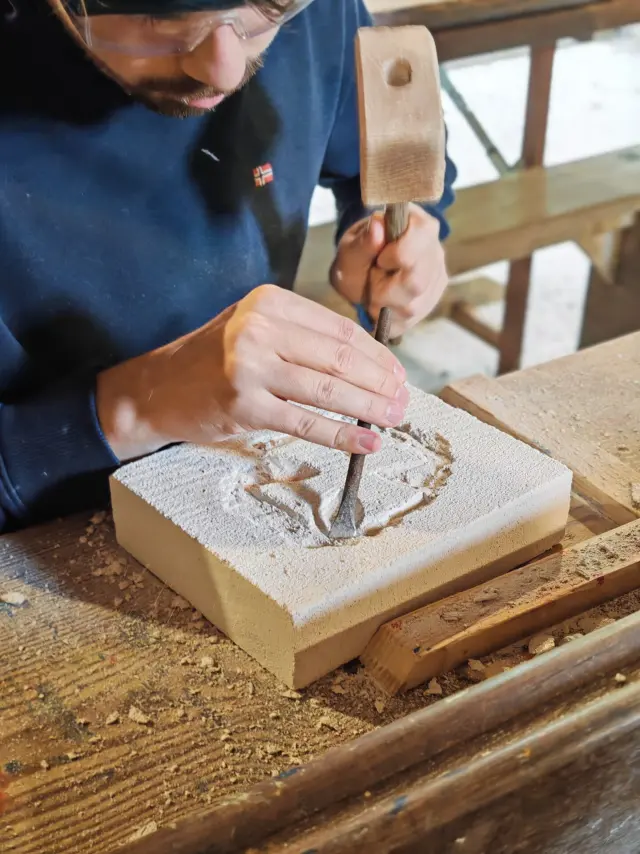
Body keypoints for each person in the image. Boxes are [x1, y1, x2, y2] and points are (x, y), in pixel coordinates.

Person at [0, 0, 457, 533]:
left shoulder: (318, 12)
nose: (226, 69)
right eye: (163, 16)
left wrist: (390, 232)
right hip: (49, 532)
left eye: (270, 7)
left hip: (249, 466)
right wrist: (139, 406)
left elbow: (384, 154)